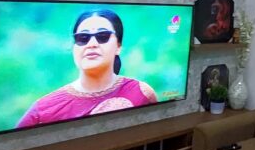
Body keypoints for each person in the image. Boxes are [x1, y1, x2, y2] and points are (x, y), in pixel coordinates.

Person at [17, 8, 158, 128]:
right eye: (83, 38)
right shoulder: (43, 110)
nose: (92, 44)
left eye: (102, 36)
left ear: (118, 46)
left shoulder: (141, 93)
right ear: (74, 48)